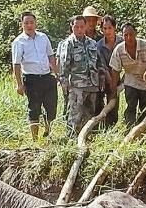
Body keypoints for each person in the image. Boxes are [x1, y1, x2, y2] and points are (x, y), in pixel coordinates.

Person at [12, 11, 58, 141]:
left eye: (31, 22)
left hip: (47, 76)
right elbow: (16, 64)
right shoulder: (18, 42)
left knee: (51, 106)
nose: (29, 25)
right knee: (34, 108)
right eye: (26, 23)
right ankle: (35, 139)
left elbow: (50, 56)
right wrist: (19, 84)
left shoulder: (43, 37)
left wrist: (56, 73)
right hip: (31, 79)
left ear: (35, 23)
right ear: (22, 24)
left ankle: (49, 131)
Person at [58, 15, 105, 136]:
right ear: (72, 27)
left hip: (92, 84)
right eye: (76, 26)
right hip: (76, 86)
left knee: (90, 114)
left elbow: (99, 63)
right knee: (75, 115)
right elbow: (64, 66)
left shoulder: (92, 43)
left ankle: (86, 137)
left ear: (85, 27)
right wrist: (65, 85)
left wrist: (101, 78)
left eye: (81, 27)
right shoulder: (68, 44)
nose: (79, 29)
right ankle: (72, 139)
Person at [110, 23, 146, 127]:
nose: (129, 38)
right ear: (122, 35)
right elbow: (115, 71)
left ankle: (142, 129)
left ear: (136, 34)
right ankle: (129, 127)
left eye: (131, 34)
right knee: (131, 106)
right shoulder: (119, 49)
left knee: (145, 109)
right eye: (125, 35)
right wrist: (113, 90)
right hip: (131, 82)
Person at [97, 15, 123, 127]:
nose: (107, 31)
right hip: (104, 77)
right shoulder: (99, 45)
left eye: (109, 28)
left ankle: (112, 125)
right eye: (104, 28)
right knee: (100, 102)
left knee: (114, 103)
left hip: (119, 77)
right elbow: (102, 65)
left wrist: (116, 82)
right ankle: (101, 125)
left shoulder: (122, 41)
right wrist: (110, 80)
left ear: (114, 28)